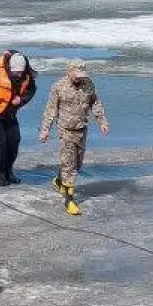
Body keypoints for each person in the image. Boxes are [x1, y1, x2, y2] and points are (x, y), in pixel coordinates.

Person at [38, 61, 110, 216]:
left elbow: (95, 103)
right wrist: (45, 130)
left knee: (77, 163)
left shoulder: (88, 84)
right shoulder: (58, 87)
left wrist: (102, 121)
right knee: (69, 164)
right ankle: (69, 200)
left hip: (82, 129)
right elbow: (50, 110)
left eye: (82, 76)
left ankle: (59, 180)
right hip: (66, 130)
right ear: (69, 72)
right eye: (77, 76)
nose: (79, 78)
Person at [0, 50, 36, 186]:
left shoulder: (25, 75)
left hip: (9, 113)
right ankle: (0, 175)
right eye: (15, 72)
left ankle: (9, 172)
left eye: (20, 73)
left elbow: (32, 89)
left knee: (14, 141)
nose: (18, 75)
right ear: (9, 67)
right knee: (1, 143)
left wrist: (21, 100)